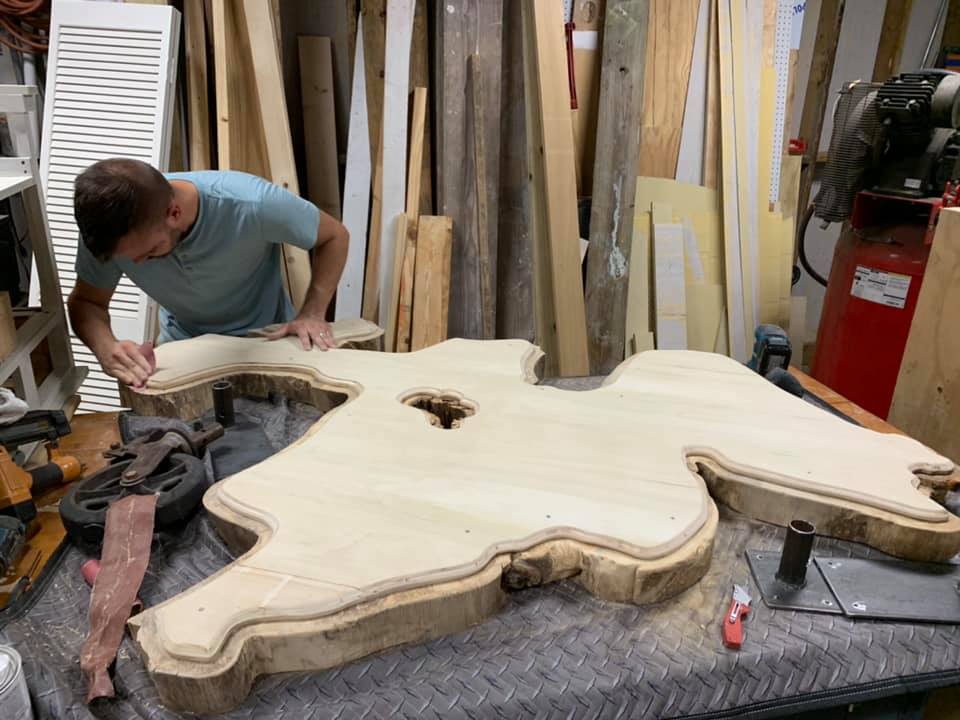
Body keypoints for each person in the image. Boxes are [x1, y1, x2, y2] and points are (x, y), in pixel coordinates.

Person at [67, 159, 348, 388]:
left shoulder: (252, 204)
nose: (138, 264)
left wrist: (312, 313)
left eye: (149, 251)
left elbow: (334, 236)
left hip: (266, 341)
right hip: (185, 348)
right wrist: (105, 348)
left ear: (174, 213)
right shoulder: (107, 233)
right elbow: (87, 303)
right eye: (127, 259)